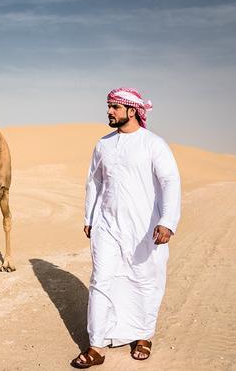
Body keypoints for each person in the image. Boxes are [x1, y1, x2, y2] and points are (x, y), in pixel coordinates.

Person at [71, 88, 181, 368]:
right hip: (107, 225)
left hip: (144, 227)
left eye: (115, 107)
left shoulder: (153, 144)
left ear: (132, 111)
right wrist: (90, 218)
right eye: (109, 106)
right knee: (101, 280)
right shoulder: (103, 144)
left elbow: (170, 182)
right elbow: (94, 182)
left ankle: (143, 336)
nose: (109, 111)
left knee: (145, 279)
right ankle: (96, 345)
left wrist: (167, 221)